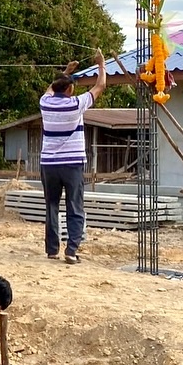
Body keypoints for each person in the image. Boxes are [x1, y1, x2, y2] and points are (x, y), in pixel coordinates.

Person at [41, 50, 106, 264]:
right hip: (72, 164)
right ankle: (71, 250)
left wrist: (66, 72)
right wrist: (101, 64)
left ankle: (52, 250)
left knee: (51, 205)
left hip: (48, 164)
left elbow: (51, 89)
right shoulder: (76, 104)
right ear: (70, 89)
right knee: (74, 206)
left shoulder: (45, 103)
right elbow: (100, 87)